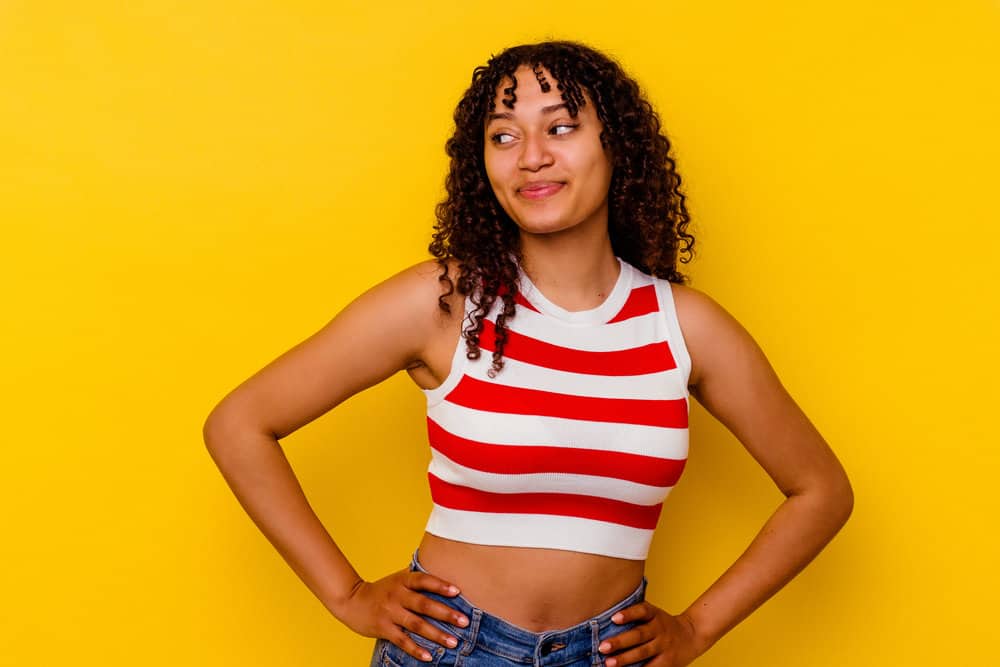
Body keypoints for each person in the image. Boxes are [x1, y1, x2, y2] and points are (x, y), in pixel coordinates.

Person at [203, 40, 853, 667]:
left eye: (561, 127)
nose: (531, 157)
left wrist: (696, 628)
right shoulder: (444, 304)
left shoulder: (685, 328)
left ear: (615, 146)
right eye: (505, 136)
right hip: (453, 652)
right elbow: (239, 424)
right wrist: (347, 594)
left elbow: (820, 490)